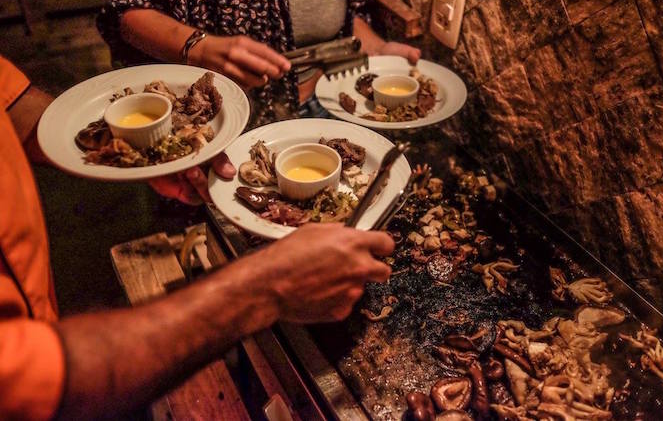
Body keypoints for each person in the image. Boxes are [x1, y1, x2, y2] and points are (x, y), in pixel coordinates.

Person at [0, 55, 395, 420]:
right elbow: (31, 378)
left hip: (43, 312)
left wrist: (141, 150)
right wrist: (263, 289)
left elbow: (16, 109)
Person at [97, 0, 421, 123]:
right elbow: (124, 12)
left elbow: (349, 12)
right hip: (214, 121)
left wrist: (376, 48)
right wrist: (198, 48)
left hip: (325, 104)